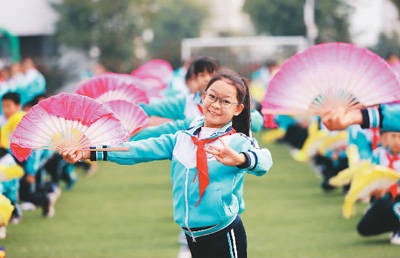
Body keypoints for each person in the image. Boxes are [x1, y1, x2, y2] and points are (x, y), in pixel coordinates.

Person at [60, 71, 273, 257]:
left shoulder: (236, 141)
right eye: (212, 97)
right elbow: (135, 150)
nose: (216, 105)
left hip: (223, 233)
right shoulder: (182, 138)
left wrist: (241, 159)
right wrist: (86, 152)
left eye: (225, 101)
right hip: (193, 237)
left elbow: (264, 161)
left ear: (238, 109)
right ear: (202, 97)